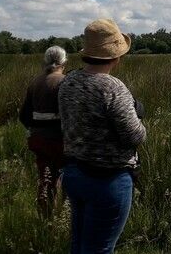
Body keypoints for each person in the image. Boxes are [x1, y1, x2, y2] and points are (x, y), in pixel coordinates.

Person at [59, 18, 146, 254]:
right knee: (100, 248)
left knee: (79, 244)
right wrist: (138, 114)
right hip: (108, 180)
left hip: (74, 172)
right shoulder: (113, 87)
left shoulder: (68, 82)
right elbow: (135, 136)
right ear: (115, 56)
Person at [19, 45, 68, 218]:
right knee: (66, 178)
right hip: (61, 142)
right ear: (64, 62)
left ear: (46, 61)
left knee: (45, 180)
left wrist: (36, 131)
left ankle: (45, 219)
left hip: (38, 140)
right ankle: (63, 217)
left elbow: (24, 116)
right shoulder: (65, 81)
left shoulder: (35, 82)